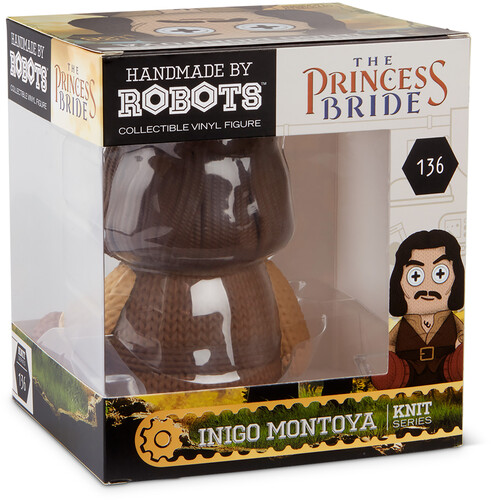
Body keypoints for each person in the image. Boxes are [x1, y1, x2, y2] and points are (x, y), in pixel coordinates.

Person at [372, 229, 464, 389]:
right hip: (408, 371)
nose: (427, 287)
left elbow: (462, 335)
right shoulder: (401, 326)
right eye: (415, 275)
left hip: (445, 368)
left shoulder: (453, 321)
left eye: (440, 274)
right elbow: (389, 344)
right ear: (399, 280)